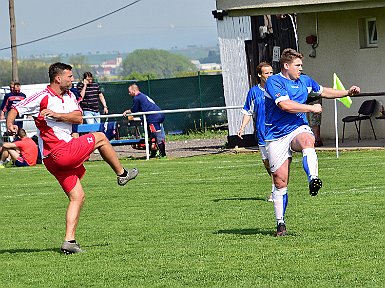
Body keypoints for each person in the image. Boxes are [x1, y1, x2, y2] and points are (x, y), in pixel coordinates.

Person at [6, 62, 139, 254]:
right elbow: (15, 109)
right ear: (58, 78)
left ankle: (69, 241)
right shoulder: (42, 96)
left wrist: (57, 115)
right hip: (58, 153)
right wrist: (11, 123)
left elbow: (78, 118)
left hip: (55, 160)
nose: (72, 79)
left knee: (78, 196)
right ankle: (122, 173)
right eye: (69, 76)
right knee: (101, 137)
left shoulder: (70, 96)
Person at [264, 48, 360, 236]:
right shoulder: (274, 81)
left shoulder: (305, 81)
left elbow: (324, 91)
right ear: (286, 66)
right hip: (276, 135)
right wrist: (311, 107)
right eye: (297, 65)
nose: (301, 69)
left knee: (309, 139)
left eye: (301, 65)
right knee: (280, 181)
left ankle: (313, 179)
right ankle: (280, 223)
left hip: (297, 128)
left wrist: (347, 92)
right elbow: (284, 105)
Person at [237, 62, 274, 202]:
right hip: (261, 133)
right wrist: (242, 127)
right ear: (260, 75)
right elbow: (248, 111)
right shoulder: (254, 92)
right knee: (266, 162)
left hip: (276, 132)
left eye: (271, 73)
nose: (269, 76)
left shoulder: (278, 89)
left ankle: (275, 190)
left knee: (274, 162)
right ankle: (277, 185)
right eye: (266, 73)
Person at [123, 84, 166, 158]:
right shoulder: (142, 95)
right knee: (153, 135)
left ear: (134, 90)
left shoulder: (137, 98)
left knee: (158, 135)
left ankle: (163, 155)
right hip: (159, 115)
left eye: (130, 92)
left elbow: (134, 110)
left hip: (154, 117)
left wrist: (127, 111)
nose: (129, 93)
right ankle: (153, 153)